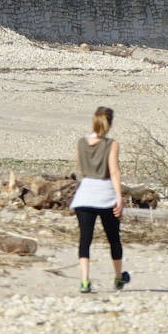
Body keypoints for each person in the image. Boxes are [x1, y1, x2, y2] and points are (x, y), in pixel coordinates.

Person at [70, 106, 127, 293]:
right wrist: (119, 197)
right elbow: (114, 171)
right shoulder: (111, 144)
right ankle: (118, 277)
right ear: (110, 123)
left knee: (85, 239)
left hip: (84, 195)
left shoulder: (81, 142)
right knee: (114, 238)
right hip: (104, 195)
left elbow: (80, 167)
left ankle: (84, 280)